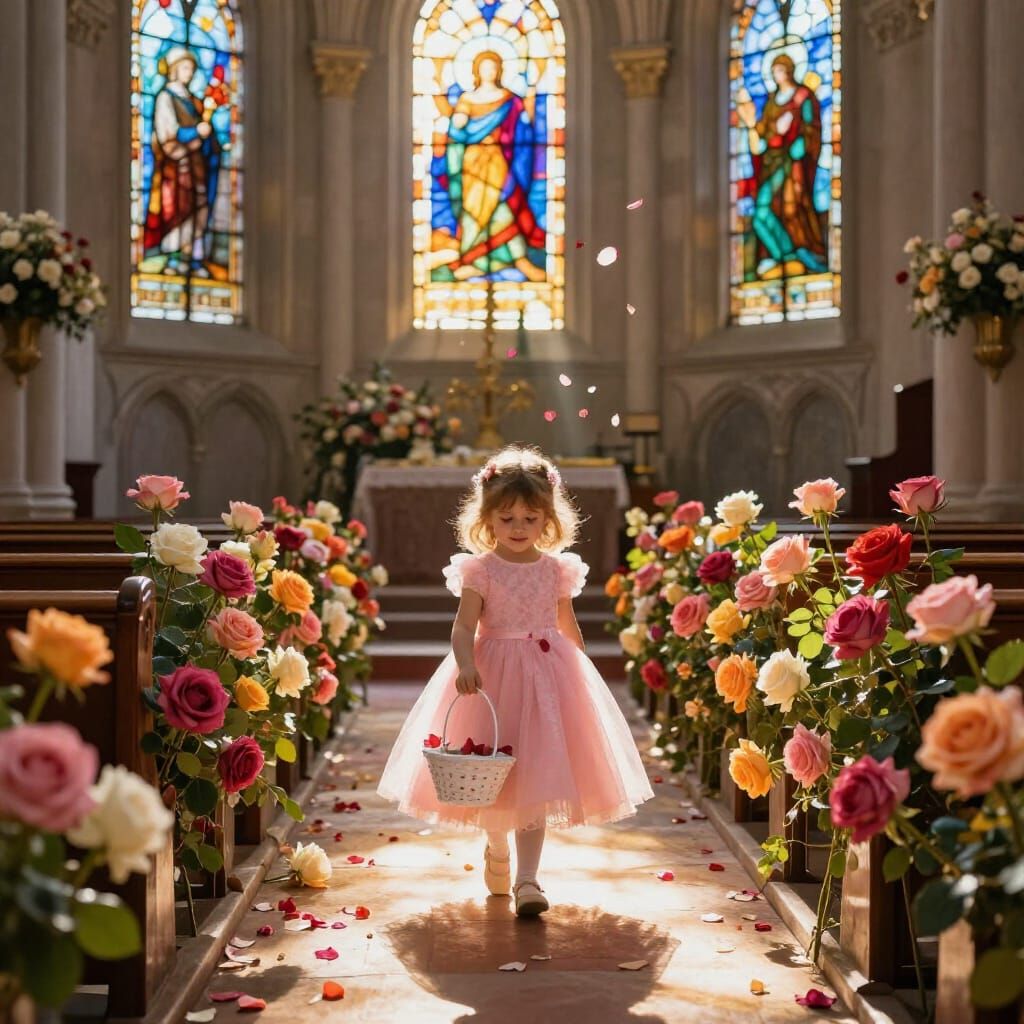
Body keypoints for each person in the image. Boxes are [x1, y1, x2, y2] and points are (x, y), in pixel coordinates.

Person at [377, 446, 654, 917]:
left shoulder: (556, 569)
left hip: (548, 676)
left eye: (530, 518)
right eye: (507, 519)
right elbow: (464, 626)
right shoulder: (480, 569)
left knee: (537, 778)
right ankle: (497, 848)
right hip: (493, 673)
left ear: (548, 519)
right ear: (487, 520)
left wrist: (582, 674)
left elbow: (567, 623)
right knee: (493, 771)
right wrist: (465, 663)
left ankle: (528, 879)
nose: (519, 528)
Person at [439, 50, 546, 283]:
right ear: (477, 70)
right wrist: (458, 122)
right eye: (485, 67)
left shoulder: (508, 99)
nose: (490, 71)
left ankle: (519, 260)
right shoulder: (467, 100)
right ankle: (472, 260)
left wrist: (528, 106)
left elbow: (523, 130)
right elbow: (457, 132)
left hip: (499, 162)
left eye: (493, 67)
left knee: (506, 210)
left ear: (499, 70)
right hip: (473, 165)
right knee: (474, 213)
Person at [736, 52, 827, 280]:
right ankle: (783, 255)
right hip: (771, 163)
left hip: (794, 163)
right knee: (760, 213)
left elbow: (811, 128)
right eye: (774, 70)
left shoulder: (803, 97)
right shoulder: (771, 103)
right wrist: (751, 125)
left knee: (791, 208)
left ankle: (799, 254)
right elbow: (762, 135)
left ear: (790, 70)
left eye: (781, 70)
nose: (777, 75)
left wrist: (799, 143)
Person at [144, 46, 222, 277]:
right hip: (174, 167)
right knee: (176, 211)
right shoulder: (166, 98)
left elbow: (207, 136)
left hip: (198, 166)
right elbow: (167, 132)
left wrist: (209, 135)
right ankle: (174, 258)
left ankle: (193, 258)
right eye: (186, 67)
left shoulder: (195, 102)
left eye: (192, 68)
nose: (190, 73)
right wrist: (196, 131)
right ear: (175, 69)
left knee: (198, 208)